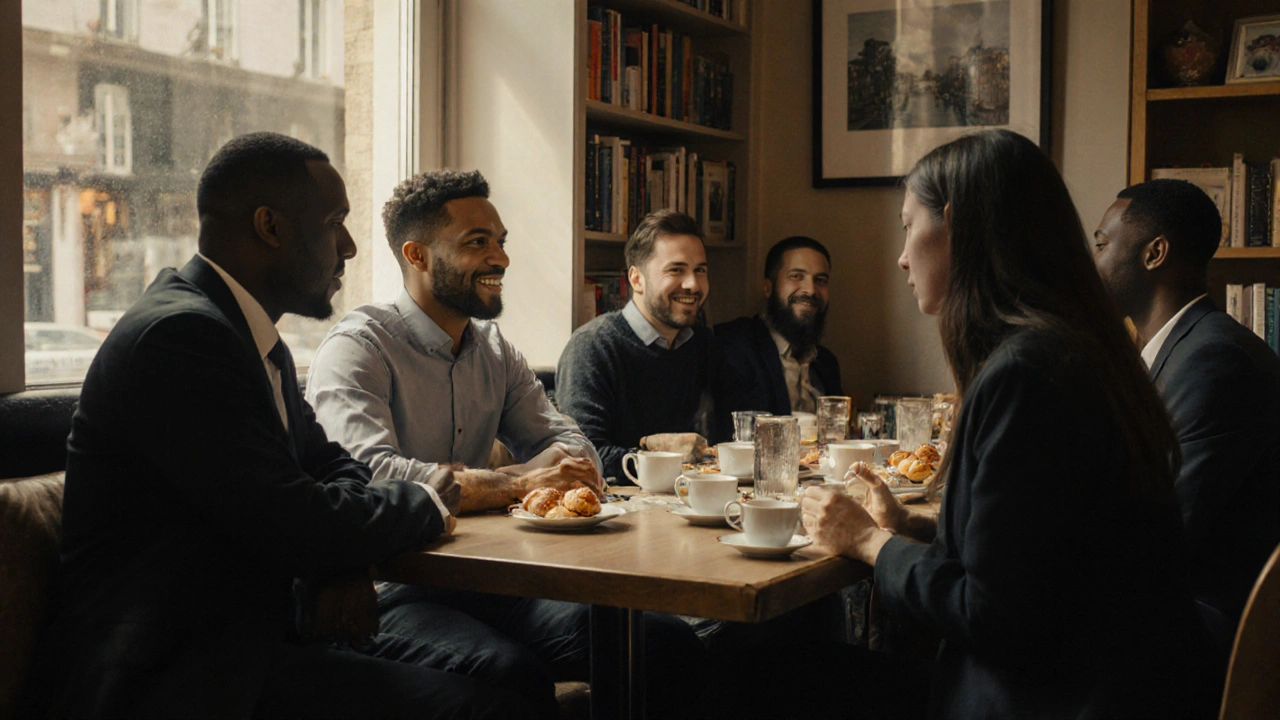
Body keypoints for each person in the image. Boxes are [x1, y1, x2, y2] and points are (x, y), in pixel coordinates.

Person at [28, 133, 522, 718]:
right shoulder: (181, 338)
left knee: (511, 679)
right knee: (491, 706)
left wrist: (335, 563)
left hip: (251, 642)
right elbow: (291, 519)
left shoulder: (246, 333)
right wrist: (426, 500)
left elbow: (331, 466)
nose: (350, 246)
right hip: (174, 674)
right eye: (334, 221)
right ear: (270, 226)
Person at [800, 130, 1218, 718]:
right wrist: (912, 528)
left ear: (955, 225)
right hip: (1115, 681)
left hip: (1052, 695)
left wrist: (869, 542)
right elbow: (1040, 557)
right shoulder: (1079, 351)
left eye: (907, 225)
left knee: (773, 672)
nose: (900, 256)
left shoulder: (1026, 375)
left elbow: (995, 615)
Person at [305, 170, 704, 718]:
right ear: (416, 255)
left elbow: (577, 450)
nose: (501, 259)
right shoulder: (358, 348)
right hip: (390, 592)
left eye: (500, 241)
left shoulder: (494, 348)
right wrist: (518, 480)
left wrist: (507, 478)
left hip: (493, 581)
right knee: (513, 677)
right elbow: (373, 482)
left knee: (665, 642)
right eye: (477, 243)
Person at [1092, 178, 1280, 658]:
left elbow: (1161, 531)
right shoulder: (1181, 350)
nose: (1092, 263)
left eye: (1102, 244)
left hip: (1202, 634)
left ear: (1155, 253)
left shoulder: (1213, 360)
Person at [556, 209, 721, 481]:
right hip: (619, 514)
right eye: (676, 270)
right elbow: (584, 456)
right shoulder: (592, 346)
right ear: (636, 279)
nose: (693, 284)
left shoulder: (702, 343)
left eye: (699, 271)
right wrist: (670, 457)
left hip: (689, 504)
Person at [714, 235, 843, 422]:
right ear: (768, 288)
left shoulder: (827, 363)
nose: (811, 290)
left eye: (820, 280)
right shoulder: (735, 346)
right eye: (796, 276)